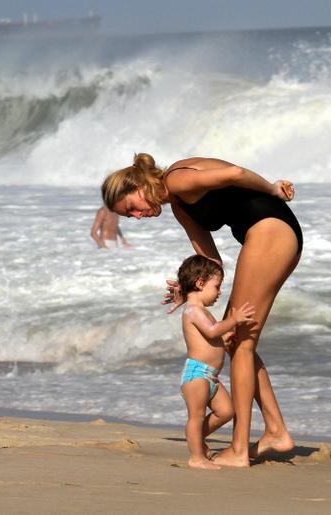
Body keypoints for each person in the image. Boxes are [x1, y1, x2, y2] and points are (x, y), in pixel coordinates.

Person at [102, 154, 301, 467]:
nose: (138, 217)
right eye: (130, 217)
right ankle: (275, 430)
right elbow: (212, 263)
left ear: (139, 186)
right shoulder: (180, 206)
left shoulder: (177, 180)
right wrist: (187, 288)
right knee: (236, 339)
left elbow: (234, 172)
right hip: (271, 234)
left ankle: (239, 449)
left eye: (132, 209)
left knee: (241, 342)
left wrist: (272, 189)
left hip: (270, 232)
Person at [176, 254, 255, 469]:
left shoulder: (203, 311)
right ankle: (196, 457)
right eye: (217, 287)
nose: (219, 293)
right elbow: (211, 331)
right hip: (197, 374)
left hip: (210, 375)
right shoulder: (193, 310)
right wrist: (232, 320)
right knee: (197, 416)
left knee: (227, 411)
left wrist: (226, 338)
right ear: (200, 283)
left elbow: (212, 338)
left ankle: (196, 442)